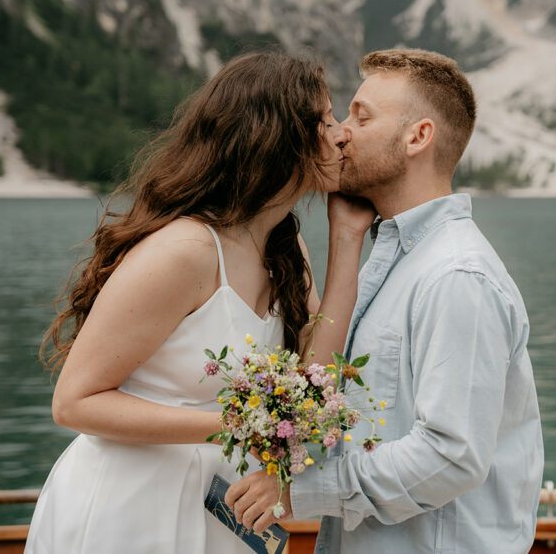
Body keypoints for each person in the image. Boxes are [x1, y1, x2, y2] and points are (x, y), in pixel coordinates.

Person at [24, 52, 375, 554]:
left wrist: (346, 241)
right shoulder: (185, 251)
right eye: (323, 120)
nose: (341, 133)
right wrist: (235, 426)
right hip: (132, 509)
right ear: (277, 137)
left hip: (218, 510)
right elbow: (74, 402)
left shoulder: (284, 249)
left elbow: (312, 383)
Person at [225, 49, 544, 553]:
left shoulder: (457, 276)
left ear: (418, 137)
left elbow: (452, 453)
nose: (340, 132)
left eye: (362, 116)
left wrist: (297, 488)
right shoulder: (391, 257)